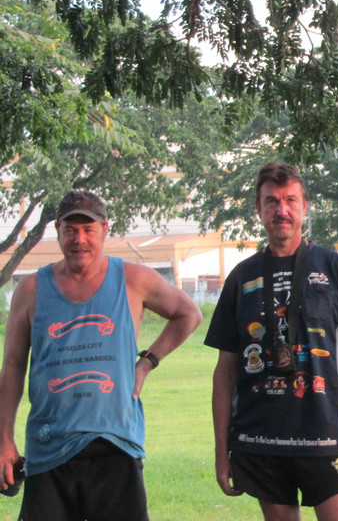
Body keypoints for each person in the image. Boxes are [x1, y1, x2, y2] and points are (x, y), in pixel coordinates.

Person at [0, 190, 203, 520]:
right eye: (70, 229)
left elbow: (189, 314)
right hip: (49, 448)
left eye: (88, 229)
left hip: (116, 447)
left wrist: (147, 363)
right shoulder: (31, 290)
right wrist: (3, 441)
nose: (79, 239)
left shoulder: (133, 279)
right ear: (58, 230)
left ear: (105, 230)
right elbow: (12, 367)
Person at [205, 162, 338, 520]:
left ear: (305, 207)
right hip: (261, 440)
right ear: (259, 209)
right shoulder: (241, 278)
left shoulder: (336, 269)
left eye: (290, 200)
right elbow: (225, 373)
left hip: (325, 437)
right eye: (271, 201)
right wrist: (222, 452)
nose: (281, 210)